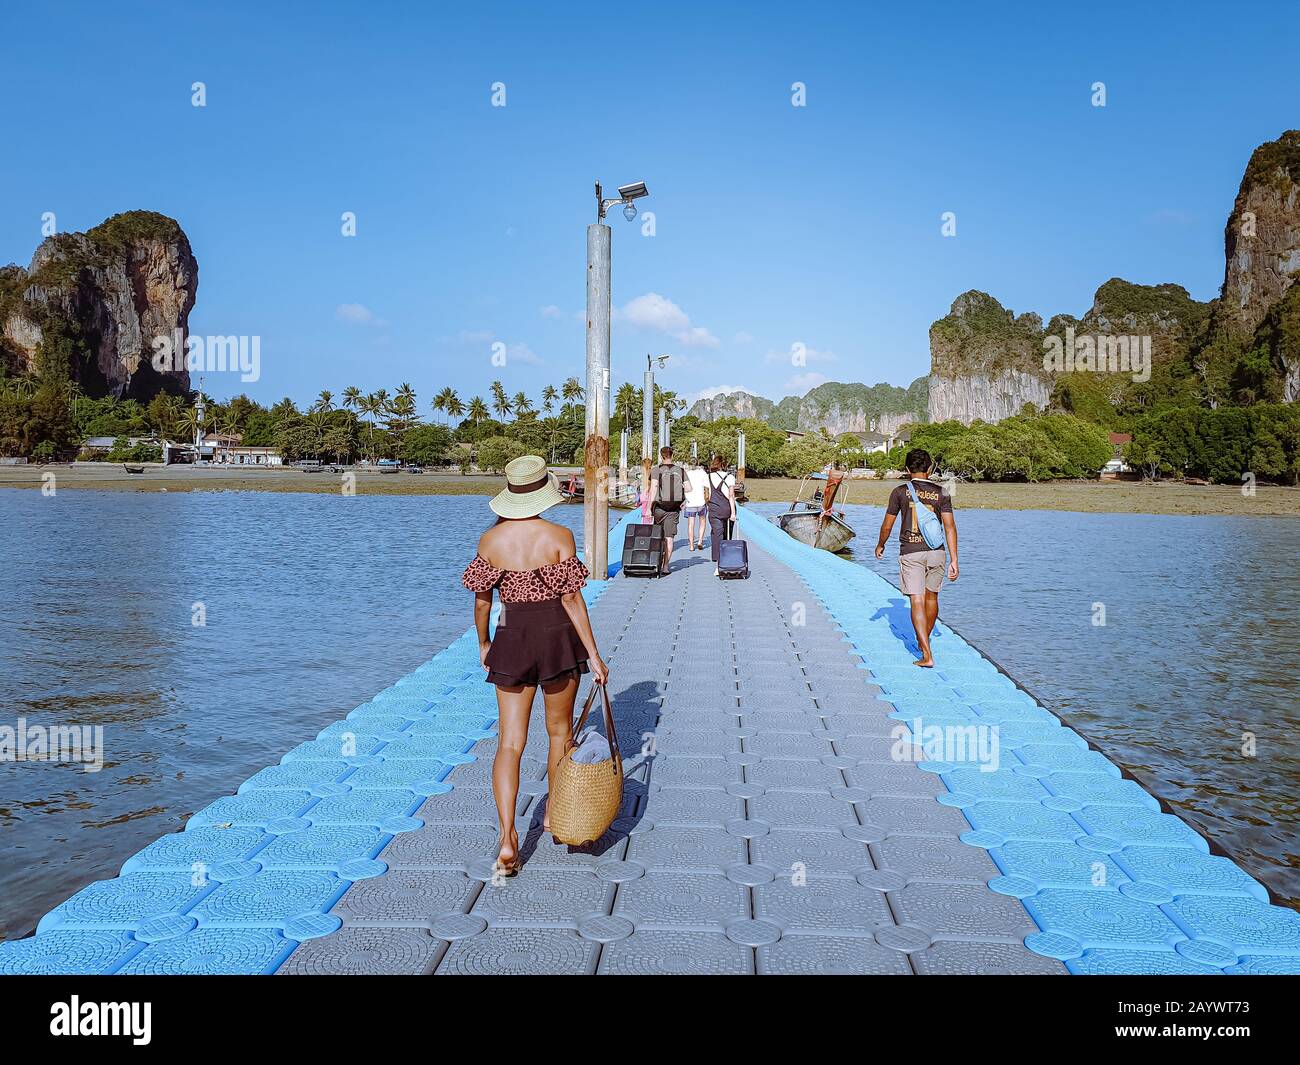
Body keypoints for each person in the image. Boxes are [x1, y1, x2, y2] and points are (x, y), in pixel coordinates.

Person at [461, 455, 608, 876]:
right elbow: (572, 600)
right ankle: (553, 817)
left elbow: (482, 601)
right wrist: (594, 656)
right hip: (558, 641)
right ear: (543, 493)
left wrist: (485, 642)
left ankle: (508, 839)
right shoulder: (559, 535)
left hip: (512, 639)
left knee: (510, 742)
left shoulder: (490, 543)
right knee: (559, 734)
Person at [873, 448, 959, 668]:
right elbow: (949, 527)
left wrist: (881, 544)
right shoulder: (943, 492)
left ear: (907, 469)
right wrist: (954, 559)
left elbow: (888, 524)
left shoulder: (900, 492)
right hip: (937, 552)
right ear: (929, 469)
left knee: (917, 600)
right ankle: (924, 642)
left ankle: (926, 654)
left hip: (912, 551)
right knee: (932, 598)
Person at [646, 445, 691, 574]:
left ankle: (656, 561)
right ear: (673, 455)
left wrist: (649, 508)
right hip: (674, 509)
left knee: (659, 536)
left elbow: (653, 489)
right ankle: (665, 567)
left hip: (659, 508)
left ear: (661, 456)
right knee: (669, 538)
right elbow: (689, 488)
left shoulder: (656, 470)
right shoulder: (681, 470)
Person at [703, 453, 737, 577]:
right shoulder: (730, 477)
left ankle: (718, 565)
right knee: (727, 536)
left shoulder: (708, 477)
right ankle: (727, 561)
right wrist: (733, 513)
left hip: (714, 510)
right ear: (725, 465)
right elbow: (731, 496)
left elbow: (706, 495)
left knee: (717, 535)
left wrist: (708, 505)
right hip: (727, 509)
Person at [681, 455, 708, 550]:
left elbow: (684, 488)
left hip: (690, 502)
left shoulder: (686, 474)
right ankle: (700, 541)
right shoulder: (703, 473)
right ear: (698, 464)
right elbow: (707, 487)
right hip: (701, 502)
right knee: (702, 521)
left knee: (690, 524)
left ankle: (691, 545)